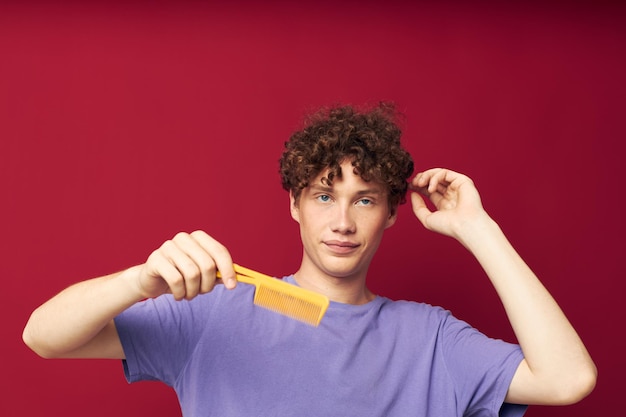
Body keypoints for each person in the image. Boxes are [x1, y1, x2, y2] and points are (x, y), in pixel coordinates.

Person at [23, 103, 596, 416]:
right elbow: (44, 337)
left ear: (391, 213)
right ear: (294, 205)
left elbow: (568, 379)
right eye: (324, 195)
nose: (343, 222)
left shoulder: (433, 340)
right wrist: (138, 280)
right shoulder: (217, 310)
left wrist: (479, 229)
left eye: (365, 200)